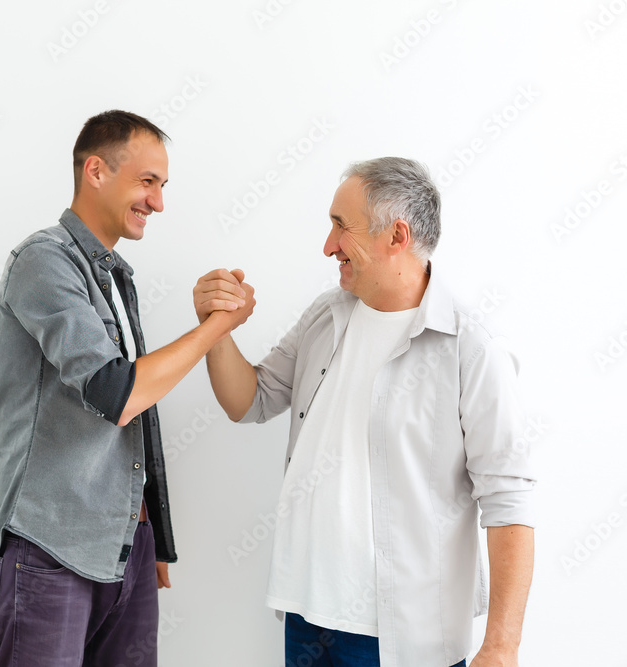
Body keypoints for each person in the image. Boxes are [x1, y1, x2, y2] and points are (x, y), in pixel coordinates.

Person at [193, 157, 536, 667]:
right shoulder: (326, 315)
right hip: (306, 614)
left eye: (340, 226)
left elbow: (508, 500)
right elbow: (252, 401)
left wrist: (502, 646)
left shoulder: (471, 350)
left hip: (404, 636)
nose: (328, 245)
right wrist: (214, 329)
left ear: (396, 236)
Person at [0, 110, 253, 667]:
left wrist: (146, 529)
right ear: (97, 171)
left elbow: (141, 408)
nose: (158, 202)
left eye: (162, 186)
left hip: (122, 548)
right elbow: (117, 393)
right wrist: (214, 328)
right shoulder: (43, 261)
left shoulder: (114, 274)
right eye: (148, 182)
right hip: (48, 547)